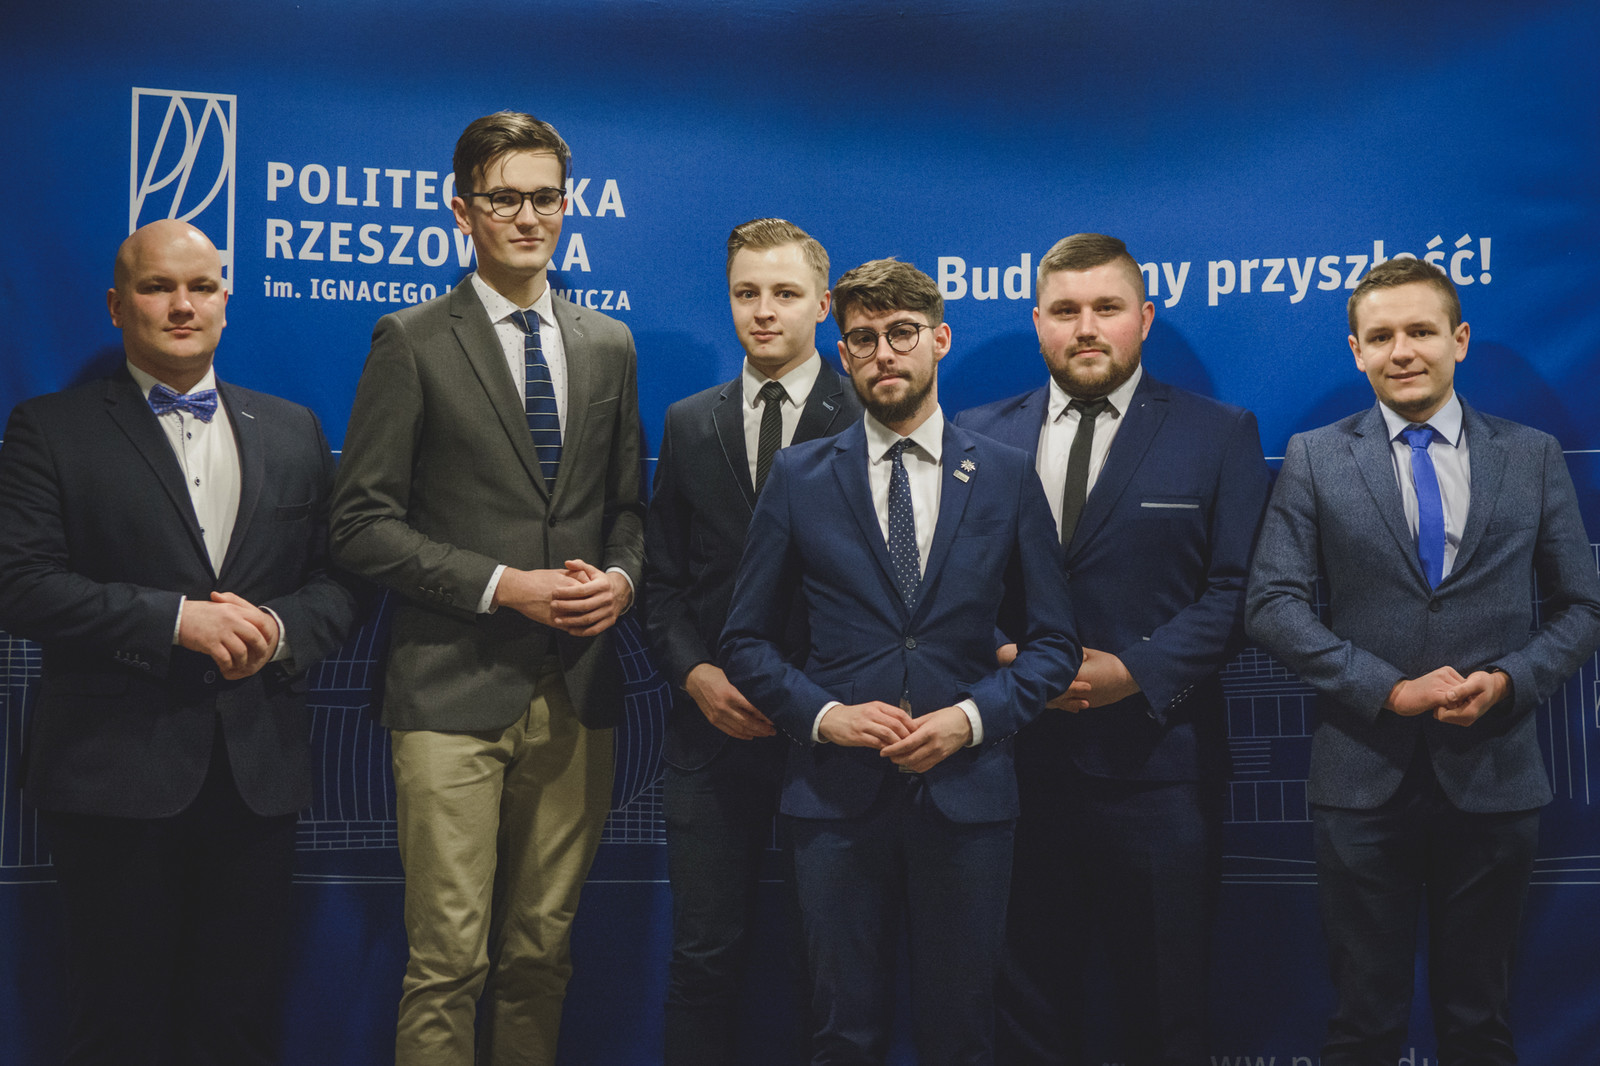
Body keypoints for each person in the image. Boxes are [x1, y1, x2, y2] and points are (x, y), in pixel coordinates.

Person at [0, 219, 359, 1065]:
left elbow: (342, 584)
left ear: (227, 301)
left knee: (238, 1026)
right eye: (158, 287)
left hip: (256, 777)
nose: (182, 305)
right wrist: (174, 619)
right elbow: (20, 584)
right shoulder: (50, 428)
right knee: (116, 1027)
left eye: (201, 287)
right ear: (116, 305)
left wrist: (278, 631)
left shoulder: (294, 428)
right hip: (110, 775)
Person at [328, 111, 644, 1066]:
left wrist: (621, 580)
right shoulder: (412, 340)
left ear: (568, 205)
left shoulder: (609, 344)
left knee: (542, 957)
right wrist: (505, 585)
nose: (528, 217)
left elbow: (628, 510)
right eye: (504, 199)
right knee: (449, 962)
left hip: (577, 693)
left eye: (545, 197)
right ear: (461, 210)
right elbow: (360, 524)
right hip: (449, 689)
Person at [721, 258, 1079, 1065]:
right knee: (843, 1033)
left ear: (939, 340)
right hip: (833, 800)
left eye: (901, 333)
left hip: (969, 796)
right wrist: (825, 716)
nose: (883, 352)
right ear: (843, 353)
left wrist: (970, 719)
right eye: (863, 338)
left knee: (964, 1032)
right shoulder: (799, 476)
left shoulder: (1006, 474)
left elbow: (1056, 645)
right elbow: (744, 640)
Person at [1245, 256, 1600, 1066]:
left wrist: (1509, 682)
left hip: (1496, 776)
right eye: (1380, 337)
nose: (1401, 350)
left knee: (1479, 1023)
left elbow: (1584, 607)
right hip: (1361, 778)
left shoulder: (1532, 454)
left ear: (1459, 339)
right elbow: (1271, 605)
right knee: (1363, 1023)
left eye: (1420, 331)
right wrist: (1389, 690)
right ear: (1356, 351)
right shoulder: (1315, 456)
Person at [956, 233, 1270, 1065]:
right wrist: (1009, 661)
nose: (1086, 327)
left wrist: (1137, 671)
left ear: (1145, 317)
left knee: (1164, 1013)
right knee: (1023, 1012)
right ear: (1037, 322)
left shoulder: (1219, 434)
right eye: (1065, 310)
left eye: (1107, 308)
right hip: (1012, 768)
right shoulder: (975, 435)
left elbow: (1241, 592)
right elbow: (946, 588)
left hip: (1160, 772)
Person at [644, 218, 860, 1065]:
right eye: (746, 293)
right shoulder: (689, 422)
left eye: (784, 293)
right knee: (703, 957)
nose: (763, 311)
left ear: (824, 305)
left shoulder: (866, 416)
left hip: (830, 735)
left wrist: (815, 704)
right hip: (711, 731)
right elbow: (663, 581)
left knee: (829, 968)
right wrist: (695, 674)